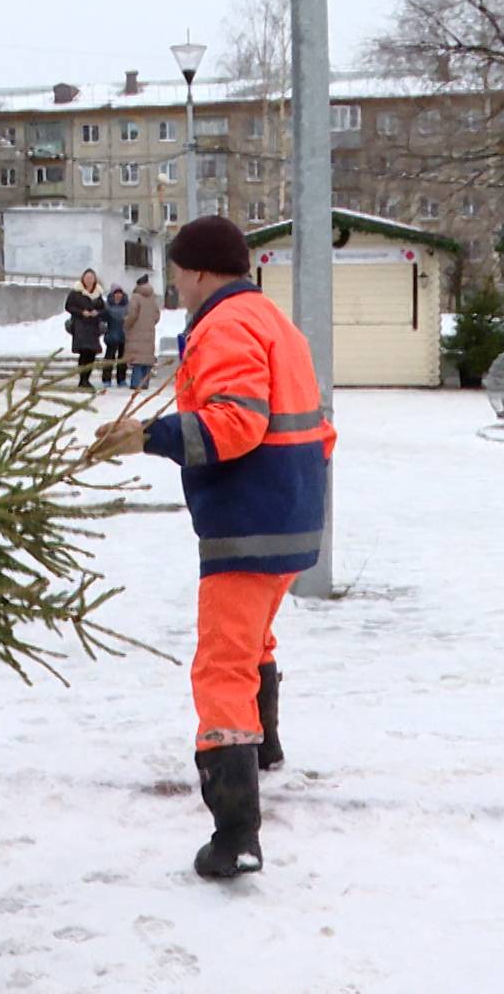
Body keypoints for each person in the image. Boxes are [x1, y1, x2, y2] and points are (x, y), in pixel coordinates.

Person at [90, 216, 334, 880]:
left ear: (196, 271)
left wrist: (148, 436)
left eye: (176, 273)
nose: (175, 285)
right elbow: (319, 423)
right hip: (292, 514)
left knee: (221, 666)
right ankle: (267, 749)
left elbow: (237, 423)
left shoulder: (225, 326)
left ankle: (236, 834)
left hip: (249, 520)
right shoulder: (275, 323)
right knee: (253, 639)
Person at [64, 268, 106, 391]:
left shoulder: (98, 293)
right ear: (83, 279)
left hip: (93, 327)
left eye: (91, 278)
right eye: (87, 278)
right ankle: (82, 380)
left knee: (91, 354)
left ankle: (87, 378)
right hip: (81, 326)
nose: (89, 280)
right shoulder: (76, 292)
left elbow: (104, 309)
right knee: (83, 353)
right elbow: (68, 306)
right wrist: (82, 312)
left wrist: (96, 312)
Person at [122, 273, 163, 390]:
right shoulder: (152, 297)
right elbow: (157, 315)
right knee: (146, 360)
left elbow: (132, 314)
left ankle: (136, 383)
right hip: (149, 332)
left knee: (137, 360)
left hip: (136, 331)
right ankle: (145, 383)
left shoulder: (136, 297)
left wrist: (126, 325)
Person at [101, 284, 129, 387]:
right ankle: (106, 379)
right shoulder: (107, 305)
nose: (118, 295)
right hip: (111, 335)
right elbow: (103, 319)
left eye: (120, 293)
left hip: (124, 335)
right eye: (116, 293)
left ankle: (121, 379)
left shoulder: (127, 306)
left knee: (123, 360)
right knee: (109, 358)